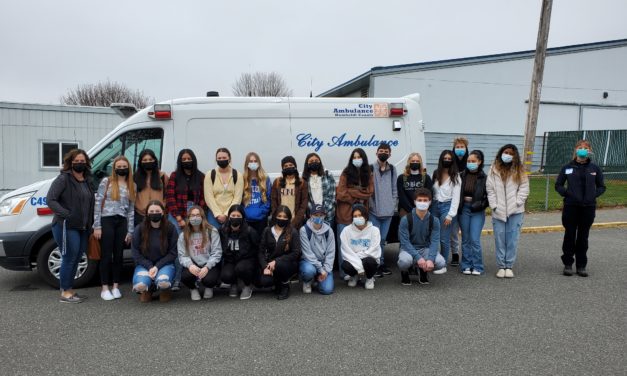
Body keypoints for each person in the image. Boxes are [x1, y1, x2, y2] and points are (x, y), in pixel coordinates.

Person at [47, 149, 95, 303]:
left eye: (82, 161)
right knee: (69, 257)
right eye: (76, 161)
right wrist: (66, 214)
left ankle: (70, 290)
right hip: (66, 225)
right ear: (70, 162)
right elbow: (51, 200)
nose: (80, 164)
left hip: (83, 227)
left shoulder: (87, 180)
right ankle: (65, 293)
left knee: (77, 257)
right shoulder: (63, 179)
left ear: (86, 163)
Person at [555, 140, 606, 277]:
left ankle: (581, 265)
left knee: (583, 237)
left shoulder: (594, 168)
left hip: (588, 208)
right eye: (580, 147)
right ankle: (568, 264)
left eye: (585, 148)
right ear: (576, 150)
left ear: (589, 151)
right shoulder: (567, 167)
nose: (582, 150)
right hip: (571, 207)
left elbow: (602, 186)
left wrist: (592, 195)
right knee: (570, 235)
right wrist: (567, 193)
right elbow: (558, 185)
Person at [92, 155, 135, 301]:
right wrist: (97, 226)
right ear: (114, 168)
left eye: (124, 166)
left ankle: (116, 286)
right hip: (107, 220)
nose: (121, 169)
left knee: (118, 255)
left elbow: (131, 210)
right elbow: (97, 204)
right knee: (106, 255)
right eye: (119, 167)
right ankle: (105, 288)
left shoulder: (132, 185)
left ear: (128, 168)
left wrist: (130, 231)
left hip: (122, 221)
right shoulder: (107, 181)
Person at [165, 149, 206, 290]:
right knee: (177, 247)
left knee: (196, 246)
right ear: (180, 161)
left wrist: (195, 216)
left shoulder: (200, 176)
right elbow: (170, 198)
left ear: (193, 160)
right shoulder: (174, 176)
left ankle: (199, 277)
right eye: (184, 159)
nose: (186, 161)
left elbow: (202, 199)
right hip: (177, 214)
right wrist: (179, 218)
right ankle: (176, 279)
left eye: (189, 158)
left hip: (195, 214)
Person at [486, 144, 529, 278]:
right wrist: (494, 205)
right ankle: (501, 266)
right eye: (505, 152)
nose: (508, 155)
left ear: (514, 156)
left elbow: (524, 188)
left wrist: (517, 202)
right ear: (501, 153)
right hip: (498, 210)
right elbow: (490, 188)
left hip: (515, 211)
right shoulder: (493, 169)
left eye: (511, 153)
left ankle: (509, 265)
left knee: (512, 239)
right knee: (499, 238)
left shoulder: (519, 170)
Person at [335, 148, 374, 279]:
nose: (357, 159)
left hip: (362, 216)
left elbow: (369, 193)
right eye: (354, 157)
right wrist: (358, 195)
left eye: (359, 157)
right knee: (344, 246)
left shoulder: (368, 173)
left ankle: (359, 270)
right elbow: (340, 193)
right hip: (345, 214)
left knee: (360, 244)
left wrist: (351, 190)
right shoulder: (346, 173)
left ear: (363, 158)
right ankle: (344, 273)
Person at [131, 201, 178, 302]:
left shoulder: (170, 228)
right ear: (147, 213)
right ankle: (147, 289)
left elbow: (173, 253)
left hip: (165, 264)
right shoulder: (139, 229)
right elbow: (135, 253)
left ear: (163, 212)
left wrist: (157, 267)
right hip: (145, 265)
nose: (154, 213)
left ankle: (164, 289)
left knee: (163, 282)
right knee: (141, 285)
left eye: (157, 211)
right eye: (151, 211)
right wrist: (149, 266)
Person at [397, 188, 444, 285]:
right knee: (404, 261)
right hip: (407, 249)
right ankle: (405, 271)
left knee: (440, 263)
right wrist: (419, 258)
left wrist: (430, 259)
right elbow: (404, 242)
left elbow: (435, 241)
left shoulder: (434, 220)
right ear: (415, 202)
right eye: (419, 200)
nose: (422, 203)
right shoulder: (406, 219)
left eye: (425, 200)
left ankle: (423, 270)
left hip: (424, 249)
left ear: (430, 202)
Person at [177, 206, 222, 301]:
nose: (195, 218)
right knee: (185, 277)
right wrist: (190, 265)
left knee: (210, 279)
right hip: (194, 264)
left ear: (202, 217)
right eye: (192, 215)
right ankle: (193, 288)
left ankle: (209, 287)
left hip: (208, 263)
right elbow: (182, 255)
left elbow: (217, 252)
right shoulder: (183, 235)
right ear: (188, 218)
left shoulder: (212, 231)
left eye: (198, 215)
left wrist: (207, 267)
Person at [258, 205, 301, 300]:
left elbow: (296, 253)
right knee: (265, 281)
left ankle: (285, 285)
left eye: (285, 217)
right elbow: (260, 252)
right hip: (270, 264)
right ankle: (278, 282)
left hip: (288, 264)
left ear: (289, 218)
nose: (282, 219)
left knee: (281, 265)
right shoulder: (267, 231)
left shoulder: (293, 232)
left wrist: (276, 261)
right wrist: (265, 266)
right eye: (280, 216)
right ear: (275, 217)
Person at [368, 142, 398, 278]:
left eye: (386, 151)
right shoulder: (370, 168)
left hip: (388, 212)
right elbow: (368, 191)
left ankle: (381, 263)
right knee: (374, 239)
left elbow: (394, 189)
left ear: (390, 154)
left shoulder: (392, 169)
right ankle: (374, 265)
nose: (383, 153)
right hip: (374, 212)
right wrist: (372, 206)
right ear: (376, 152)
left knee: (383, 239)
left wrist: (392, 205)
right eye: (381, 151)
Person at [458, 150, 488, 276]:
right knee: (465, 239)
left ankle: (477, 266)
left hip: (477, 210)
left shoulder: (485, 177)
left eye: (473, 161)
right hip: (464, 209)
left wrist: (481, 205)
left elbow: (489, 195)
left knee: (474, 239)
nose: (470, 163)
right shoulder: (461, 175)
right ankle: (466, 265)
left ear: (479, 162)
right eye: (469, 161)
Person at [220, 205, 260, 300]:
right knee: (225, 276)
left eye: (238, 216)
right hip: (230, 260)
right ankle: (234, 284)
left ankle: (247, 285)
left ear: (243, 218)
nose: (235, 218)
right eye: (233, 215)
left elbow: (257, 248)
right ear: (229, 216)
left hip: (246, 260)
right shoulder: (223, 230)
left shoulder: (250, 231)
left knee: (241, 268)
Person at [340, 204, 381, 290]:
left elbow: (374, 250)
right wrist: (359, 266)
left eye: (360, 215)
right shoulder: (346, 231)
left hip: (367, 258)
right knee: (345, 265)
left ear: (365, 216)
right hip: (353, 258)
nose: (357, 218)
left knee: (370, 262)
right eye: (355, 216)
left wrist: (358, 257)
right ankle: (354, 276)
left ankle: (369, 278)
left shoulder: (374, 230)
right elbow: (346, 251)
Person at [431, 150, 461, 270]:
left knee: (444, 238)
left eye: (449, 159)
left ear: (452, 161)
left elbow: (456, 197)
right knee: (433, 236)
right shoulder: (435, 173)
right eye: (445, 158)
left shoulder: (456, 176)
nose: (447, 160)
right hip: (434, 206)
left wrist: (450, 215)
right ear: (441, 159)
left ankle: (442, 264)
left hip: (447, 207)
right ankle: (432, 260)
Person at [299, 204, 335, 295]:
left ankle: (318, 281)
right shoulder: (304, 230)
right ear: (310, 216)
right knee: (309, 271)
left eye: (321, 215)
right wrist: (321, 270)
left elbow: (331, 253)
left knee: (327, 290)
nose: (318, 217)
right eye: (315, 215)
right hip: (309, 262)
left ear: (324, 216)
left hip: (323, 263)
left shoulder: (329, 231)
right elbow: (308, 253)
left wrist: (326, 270)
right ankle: (308, 281)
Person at [204, 147, 244, 229]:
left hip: (232, 214)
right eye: (219, 158)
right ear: (216, 159)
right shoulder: (210, 174)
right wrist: (217, 214)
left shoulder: (238, 175)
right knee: (214, 239)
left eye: (224, 158)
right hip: (213, 214)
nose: (222, 160)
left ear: (229, 158)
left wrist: (227, 214)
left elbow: (237, 197)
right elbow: (208, 197)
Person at [271, 156, 308, 228]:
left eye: (291, 165)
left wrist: (294, 222)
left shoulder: (302, 183)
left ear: (295, 166)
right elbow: (273, 201)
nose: (288, 167)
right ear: (282, 168)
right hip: (280, 220)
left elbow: (303, 205)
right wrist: (278, 217)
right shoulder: (277, 182)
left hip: (296, 222)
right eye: (286, 166)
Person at [134, 149, 168, 226]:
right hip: (140, 216)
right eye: (145, 160)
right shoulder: (135, 177)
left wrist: (163, 206)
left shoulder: (162, 176)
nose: (148, 162)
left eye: (150, 159)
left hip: (158, 215)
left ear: (154, 160)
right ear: (140, 162)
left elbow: (167, 194)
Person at [302, 152, 336, 227]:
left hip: (328, 214)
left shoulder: (327, 174)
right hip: (312, 216)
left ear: (320, 162)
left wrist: (323, 212)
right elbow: (306, 199)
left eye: (316, 160)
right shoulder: (304, 179)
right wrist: (315, 212)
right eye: (311, 161)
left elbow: (332, 196)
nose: (314, 162)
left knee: (328, 236)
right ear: (307, 164)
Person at [242, 152, 272, 236]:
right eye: (250, 161)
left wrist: (261, 212)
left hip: (261, 219)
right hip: (246, 219)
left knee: (260, 245)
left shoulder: (265, 179)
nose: (253, 163)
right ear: (247, 163)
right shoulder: (242, 179)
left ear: (259, 163)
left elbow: (269, 200)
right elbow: (239, 200)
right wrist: (245, 213)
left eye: (255, 161)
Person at [450, 137, 469, 266]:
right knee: (453, 231)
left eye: (462, 147)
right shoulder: (451, 163)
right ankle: (455, 254)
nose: (460, 149)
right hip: (453, 202)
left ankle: (467, 256)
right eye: (457, 147)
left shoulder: (471, 162)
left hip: (467, 203)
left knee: (467, 232)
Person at [397, 152, 433, 218]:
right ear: (409, 162)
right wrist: (412, 211)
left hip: (422, 208)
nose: (415, 162)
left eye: (417, 161)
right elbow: (402, 197)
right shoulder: (401, 178)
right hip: (405, 210)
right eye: (413, 161)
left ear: (420, 163)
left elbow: (429, 195)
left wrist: (420, 209)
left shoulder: (426, 178)